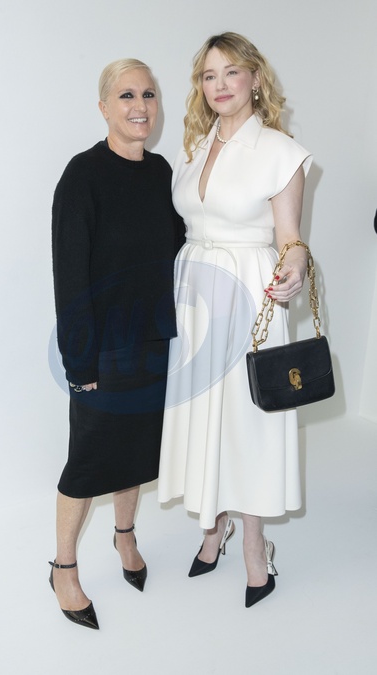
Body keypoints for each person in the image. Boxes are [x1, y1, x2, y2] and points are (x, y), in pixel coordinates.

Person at [157, 32, 313, 607]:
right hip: (194, 291)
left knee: (248, 419)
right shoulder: (192, 146)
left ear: (254, 78)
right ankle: (212, 525)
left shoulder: (279, 150)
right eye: (208, 75)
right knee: (204, 413)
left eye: (230, 72)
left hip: (250, 292)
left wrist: (295, 265)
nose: (219, 85)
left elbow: (291, 238)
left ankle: (253, 543)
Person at [50, 58, 185, 629]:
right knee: (87, 463)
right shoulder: (82, 175)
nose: (140, 106)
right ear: (104, 106)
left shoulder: (161, 172)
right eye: (126, 95)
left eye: (148, 95)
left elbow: (180, 249)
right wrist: (79, 363)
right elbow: (69, 274)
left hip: (153, 341)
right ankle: (63, 566)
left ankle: (124, 535)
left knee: (136, 453)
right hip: (101, 350)